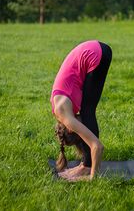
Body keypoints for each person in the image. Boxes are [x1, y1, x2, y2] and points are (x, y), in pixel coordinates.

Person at [51, 40, 112, 181]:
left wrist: (92, 177)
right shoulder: (61, 107)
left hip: (94, 54)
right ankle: (86, 164)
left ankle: (87, 166)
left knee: (87, 112)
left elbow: (97, 146)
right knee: (87, 111)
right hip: (97, 50)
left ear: (71, 129)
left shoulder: (65, 114)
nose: (82, 129)